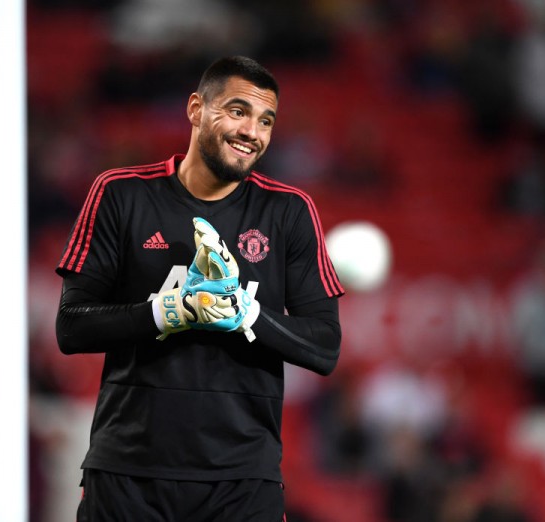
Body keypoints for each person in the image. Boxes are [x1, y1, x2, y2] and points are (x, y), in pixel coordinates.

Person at [55, 55, 344, 521]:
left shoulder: (289, 211)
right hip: (128, 474)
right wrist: (170, 311)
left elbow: (325, 346)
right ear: (196, 109)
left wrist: (244, 314)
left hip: (242, 484)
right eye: (238, 111)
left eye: (265, 120)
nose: (252, 131)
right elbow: (71, 328)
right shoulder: (120, 193)